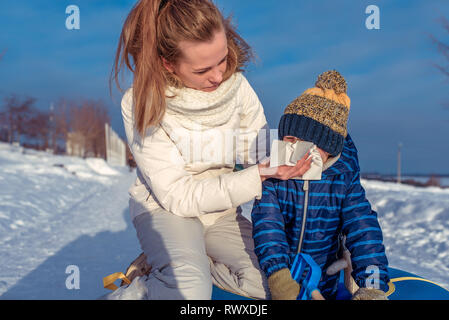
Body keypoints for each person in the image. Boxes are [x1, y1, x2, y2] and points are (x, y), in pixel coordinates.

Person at [106, 0, 312, 300]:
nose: (218, 76)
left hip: (220, 213)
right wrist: (258, 175)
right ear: (168, 64)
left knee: (274, 281)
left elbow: (259, 151)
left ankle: (180, 265)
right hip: (167, 211)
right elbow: (178, 196)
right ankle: (146, 285)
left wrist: (308, 153)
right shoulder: (141, 101)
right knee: (190, 292)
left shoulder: (237, 86)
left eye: (223, 59)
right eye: (203, 69)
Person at [251, 70, 390, 300]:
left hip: (323, 286)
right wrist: (278, 275)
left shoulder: (343, 179)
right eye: (288, 140)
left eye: (300, 141)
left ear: (326, 147)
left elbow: (364, 230)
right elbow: (268, 227)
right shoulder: (276, 174)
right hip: (280, 282)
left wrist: (373, 286)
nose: (292, 149)